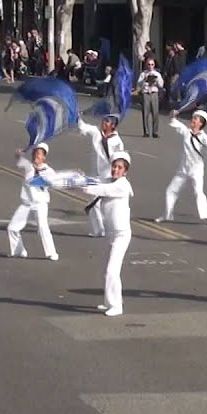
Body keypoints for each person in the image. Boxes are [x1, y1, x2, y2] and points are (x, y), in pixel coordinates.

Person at [80, 152, 135, 316]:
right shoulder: (109, 180)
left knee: (112, 270)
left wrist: (85, 187)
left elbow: (103, 189)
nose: (115, 170)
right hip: (111, 233)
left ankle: (117, 306)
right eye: (114, 166)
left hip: (121, 234)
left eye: (119, 168)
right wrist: (80, 179)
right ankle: (108, 302)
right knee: (106, 270)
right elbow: (96, 181)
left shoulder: (122, 185)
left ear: (125, 171)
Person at [157, 109, 207, 226]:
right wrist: (172, 115)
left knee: (198, 192)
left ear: (201, 123)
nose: (193, 121)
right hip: (183, 169)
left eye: (196, 119)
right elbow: (174, 122)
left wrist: (204, 144)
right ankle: (167, 215)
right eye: (193, 118)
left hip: (196, 169)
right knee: (171, 190)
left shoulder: (204, 137)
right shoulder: (186, 131)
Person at [8, 143, 59, 261]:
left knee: (42, 227)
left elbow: (53, 183)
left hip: (40, 204)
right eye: (35, 153)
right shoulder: (28, 166)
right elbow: (19, 159)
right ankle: (18, 251)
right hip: (26, 204)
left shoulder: (49, 171)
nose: (37, 155)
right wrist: (18, 153)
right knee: (12, 228)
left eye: (40, 154)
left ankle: (51, 253)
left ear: (44, 157)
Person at [77, 114, 126, 237]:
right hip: (94, 174)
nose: (103, 123)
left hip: (107, 175)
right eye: (103, 120)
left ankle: (110, 227)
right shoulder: (96, 132)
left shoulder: (117, 141)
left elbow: (119, 159)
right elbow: (83, 127)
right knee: (93, 202)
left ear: (113, 125)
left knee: (105, 202)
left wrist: (117, 175)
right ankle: (99, 229)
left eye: (107, 121)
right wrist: (77, 117)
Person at [137, 57, 165, 137]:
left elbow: (161, 85)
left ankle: (155, 132)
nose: (150, 66)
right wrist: (144, 80)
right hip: (146, 93)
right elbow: (139, 84)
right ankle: (146, 132)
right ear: (146, 65)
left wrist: (156, 81)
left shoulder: (157, 74)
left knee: (155, 113)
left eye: (152, 64)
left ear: (154, 65)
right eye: (149, 64)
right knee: (145, 113)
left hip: (154, 93)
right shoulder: (143, 74)